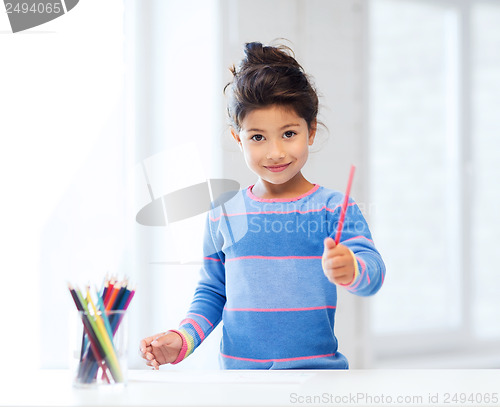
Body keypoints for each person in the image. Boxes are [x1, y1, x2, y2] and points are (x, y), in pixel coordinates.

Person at [140, 41, 386, 369]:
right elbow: (213, 292)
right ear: (237, 137)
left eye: (288, 133)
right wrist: (184, 338)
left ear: (310, 131)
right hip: (242, 385)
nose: (274, 152)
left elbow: (373, 273)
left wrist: (353, 268)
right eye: (258, 137)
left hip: (316, 380)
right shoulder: (222, 213)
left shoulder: (333, 208)